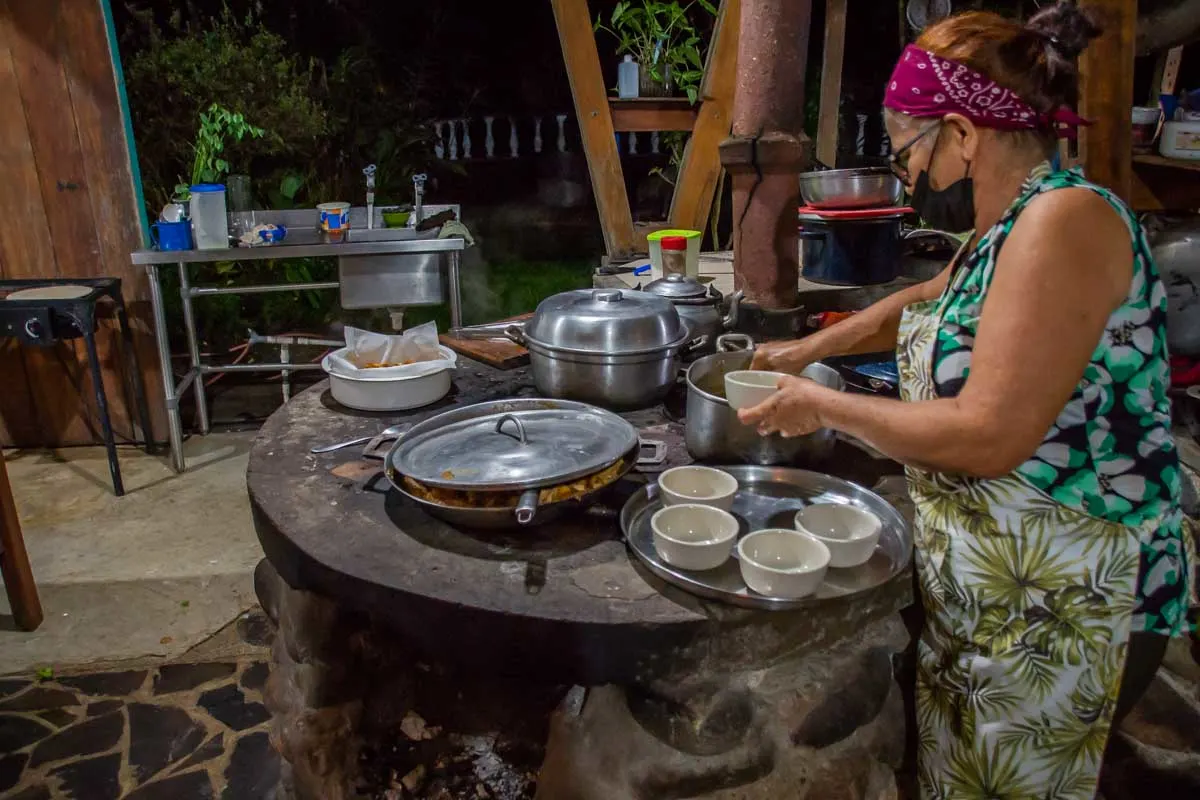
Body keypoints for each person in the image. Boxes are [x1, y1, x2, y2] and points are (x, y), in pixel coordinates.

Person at [739, 2, 1197, 797]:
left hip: (1070, 596)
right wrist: (807, 349)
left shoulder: (1066, 220)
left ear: (962, 131)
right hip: (998, 585)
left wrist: (825, 405)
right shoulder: (1005, 230)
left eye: (905, 146)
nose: (905, 171)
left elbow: (989, 435)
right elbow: (923, 300)